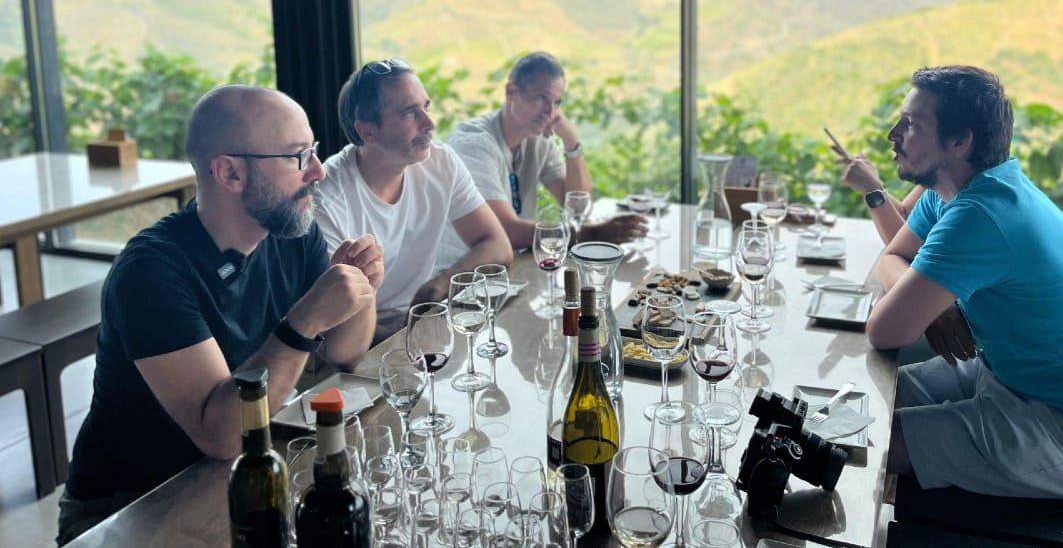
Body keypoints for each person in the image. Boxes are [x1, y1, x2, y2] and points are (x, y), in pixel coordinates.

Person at [58, 86, 383, 544]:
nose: (317, 171)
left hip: (242, 474)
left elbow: (347, 352)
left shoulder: (289, 228)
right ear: (230, 171)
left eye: (313, 152)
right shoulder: (151, 273)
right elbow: (223, 437)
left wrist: (360, 287)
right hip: (129, 507)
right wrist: (303, 321)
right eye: (297, 157)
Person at [865, 65, 1063, 503]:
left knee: (870, 447)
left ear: (960, 141)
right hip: (1013, 380)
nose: (894, 133)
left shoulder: (982, 215)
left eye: (912, 124)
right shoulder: (952, 192)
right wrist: (939, 308)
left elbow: (884, 330)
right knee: (856, 409)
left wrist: (921, 303)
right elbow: (891, 256)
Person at [314, 58, 512, 344]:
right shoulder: (328, 199)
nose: (429, 123)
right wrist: (410, 340)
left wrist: (439, 285)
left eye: (426, 108)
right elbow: (329, 329)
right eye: (409, 114)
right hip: (357, 344)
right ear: (367, 131)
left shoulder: (441, 162)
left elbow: (498, 245)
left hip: (424, 323)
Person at [442, 51, 646, 258]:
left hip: (511, 267)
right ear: (511, 92)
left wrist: (571, 142)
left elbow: (578, 207)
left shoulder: (537, 139)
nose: (550, 112)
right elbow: (505, 231)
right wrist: (593, 233)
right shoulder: (474, 145)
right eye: (542, 98)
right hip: (462, 277)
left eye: (557, 102)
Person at [834, 153, 924, 243]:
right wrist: (871, 180)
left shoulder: (937, 191)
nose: (892, 139)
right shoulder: (931, 186)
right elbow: (904, 214)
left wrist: (872, 189)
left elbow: (905, 246)